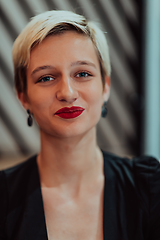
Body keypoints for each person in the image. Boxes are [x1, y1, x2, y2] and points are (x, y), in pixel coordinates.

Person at [0, 10, 160, 240]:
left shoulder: (149, 188)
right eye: (46, 77)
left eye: (83, 73)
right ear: (23, 96)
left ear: (105, 86)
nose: (67, 93)